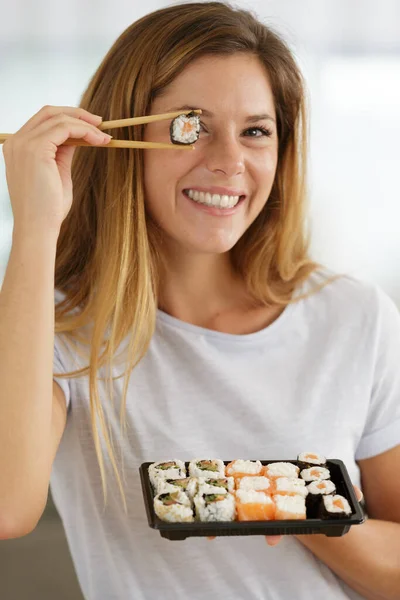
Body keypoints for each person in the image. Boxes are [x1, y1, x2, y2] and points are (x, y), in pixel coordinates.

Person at [1, 2, 399, 599]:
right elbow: (7, 506)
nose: (229, 161)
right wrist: (35, 226)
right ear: (116, 139)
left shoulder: (354, 317)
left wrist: (285, 500)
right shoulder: (57, 326)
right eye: (192, 125)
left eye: (256, 131)